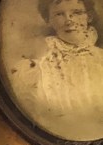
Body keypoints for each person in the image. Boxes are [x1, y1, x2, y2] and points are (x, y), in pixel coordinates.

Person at [11, 0, 103, 132]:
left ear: (89, 16)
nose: (69, 21)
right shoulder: (37, 67)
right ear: (49, 20)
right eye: (59, 14)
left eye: (77, 13)